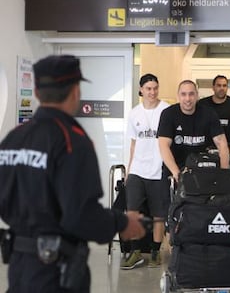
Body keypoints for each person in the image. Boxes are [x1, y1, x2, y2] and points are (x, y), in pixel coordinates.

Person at [0, 55, 145, 293]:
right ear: (76, 91)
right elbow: (80, 217)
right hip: (57, 272)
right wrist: (122, 222)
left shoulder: (13, 138)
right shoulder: (71, 140)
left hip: (18, 268)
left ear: (36, 92)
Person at [120, 73, 169, 269]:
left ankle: (156, 252)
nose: (152, 92)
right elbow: (133, 144)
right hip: (137, 170)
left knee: (158, 215)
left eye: (155, 88)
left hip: (158, 170)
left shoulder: (166, 110)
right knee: (132, 213)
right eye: (148, 88)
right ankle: (135, 252)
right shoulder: (134, 113)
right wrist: (129, 169)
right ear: (141, 90)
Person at [158, 79, 230, 181]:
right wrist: (176, 173)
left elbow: (221, 143)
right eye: (183, 94)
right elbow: (163, 146)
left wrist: (224, 173)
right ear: (178, 96)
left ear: (196, 95)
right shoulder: (168, 114)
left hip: (202, 171)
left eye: (191, 94)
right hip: (174, 171)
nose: (188, 99)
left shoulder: (209, 114)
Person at [198, 75, 230, 166]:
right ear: (213, 87)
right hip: (206, 149)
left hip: (228, 147)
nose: (222, 88)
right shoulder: (202, 104)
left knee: (226, 176)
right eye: (219, 85)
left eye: (224, 86)